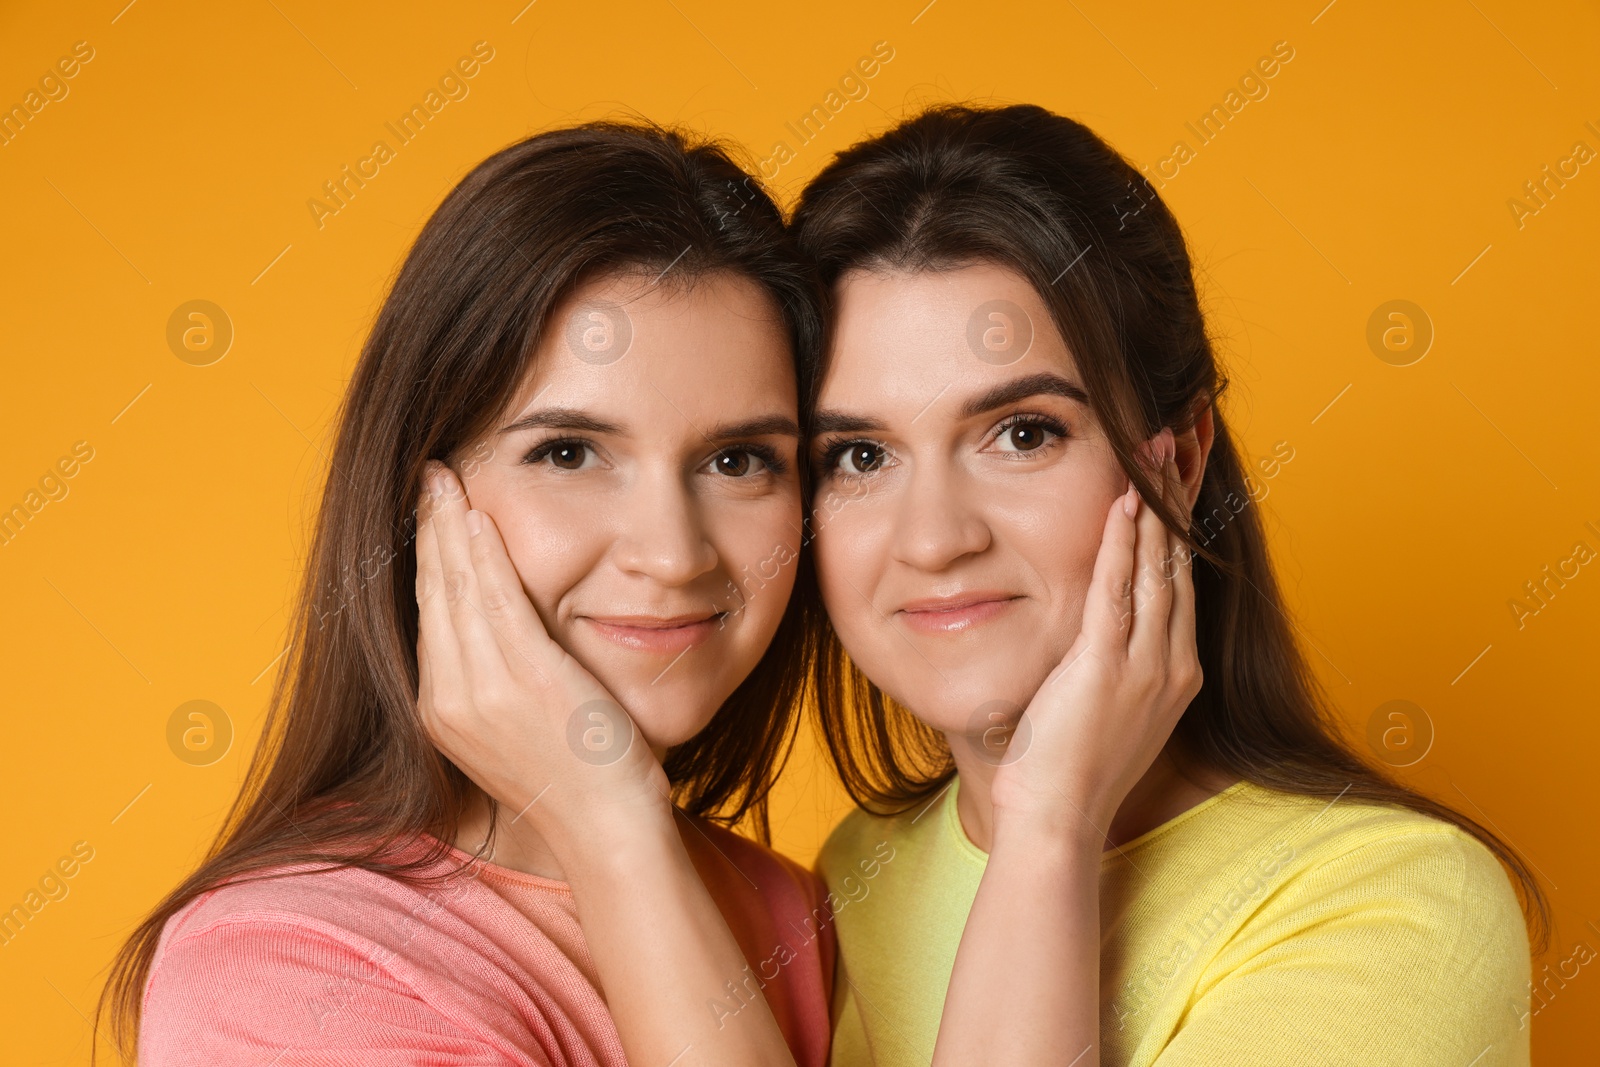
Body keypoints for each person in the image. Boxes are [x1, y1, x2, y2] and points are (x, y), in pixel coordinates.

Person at [791, 103, 1546, 1067]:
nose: (934, 539)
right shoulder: (859, 873)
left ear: (1180, 459)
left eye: (1024, 432)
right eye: (859, 453)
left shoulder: (1394, 909)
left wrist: (1049, 828)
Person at [100, 121, 833, 1067]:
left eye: (739, 459)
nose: (672, 552)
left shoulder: (797, 911)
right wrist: (612, 827)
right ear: (421, 502)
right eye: (567, 452)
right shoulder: (279, 975)